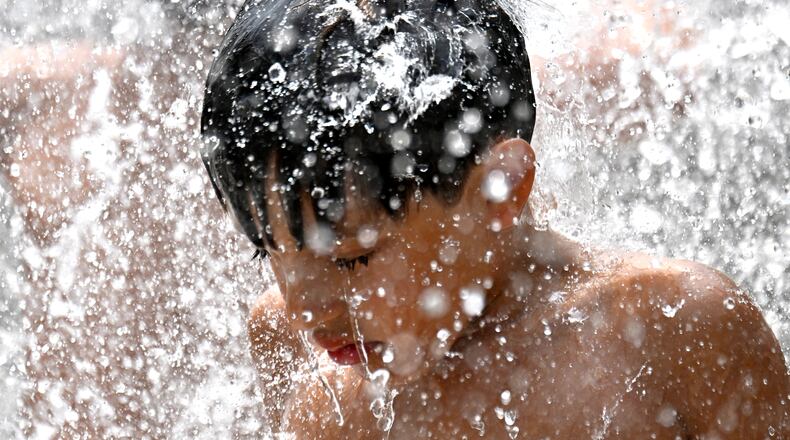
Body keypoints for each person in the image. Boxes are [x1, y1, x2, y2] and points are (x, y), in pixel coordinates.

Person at [201, 0, 790, 438]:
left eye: (352, 258)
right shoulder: (287, 339)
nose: (305, 309)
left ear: (500, 189)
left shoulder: (673, 329)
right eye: (268, 252)